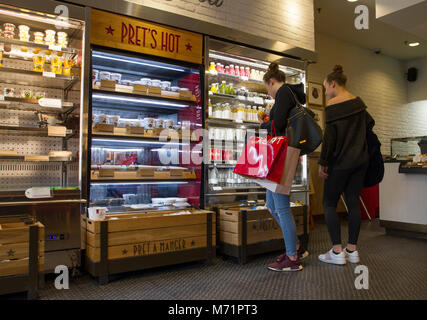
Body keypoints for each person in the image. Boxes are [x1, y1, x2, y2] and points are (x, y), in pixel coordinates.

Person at [318, 65, 375, 265]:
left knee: (329, 203)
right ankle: (352, 250)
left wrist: (322, 163)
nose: (325, 92)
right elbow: (369, 125)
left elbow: (329, 139)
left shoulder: (333, 106)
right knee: (353, 202)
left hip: (340, 163)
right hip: (360, 161)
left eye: (326, 88)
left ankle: (336, 252)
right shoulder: (359, 103)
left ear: (333, 83)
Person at [259, 62, 309, 272]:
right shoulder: (290, 94)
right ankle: (296, 247)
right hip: (284, 154)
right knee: (271, 205)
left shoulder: (284, 93)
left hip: (281, 155)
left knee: (281, 207)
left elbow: (278, 125)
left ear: (272, 82)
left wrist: (264, 123)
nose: (268, 92)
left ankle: (292, 257)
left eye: (267, 88)